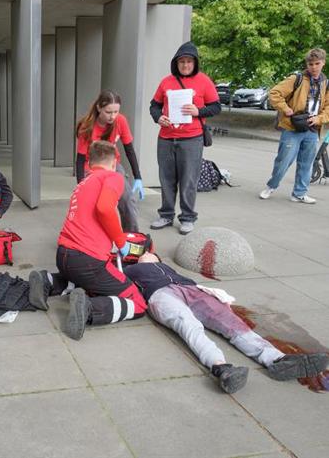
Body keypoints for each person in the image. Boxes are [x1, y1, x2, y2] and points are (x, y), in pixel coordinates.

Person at [124, 252, 329, 393]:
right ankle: (221, 368)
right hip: (159, 294)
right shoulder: (129, 270)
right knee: (188, 325)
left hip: (192, 289)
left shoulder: (164, 266)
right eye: (144, 254)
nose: (147, 254)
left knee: (231, 323)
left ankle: (277, 359)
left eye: (151, 254)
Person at [28, 141, 147, 341]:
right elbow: (104, 208)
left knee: (83, 280)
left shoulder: (84, 183)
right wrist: (121, 242)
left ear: (89, 164)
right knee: (137, 302)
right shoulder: (113, 177)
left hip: (64, 256)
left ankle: (47, 281)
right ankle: (89, 308)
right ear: (114, 162)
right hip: (88, 261)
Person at [149, 41, 221, 235]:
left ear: (195, 63)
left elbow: (216, 107)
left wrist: (199, 111)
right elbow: (154, 105)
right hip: (166, 138)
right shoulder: (166, 82)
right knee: (166, 179)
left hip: (191, 139)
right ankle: (166, 215)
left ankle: (188, 218)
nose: (185, 65)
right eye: (182, 61)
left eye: (189, 61)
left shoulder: (204, 81)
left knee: (188, 180)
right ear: (176, 63)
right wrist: (158, 117)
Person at [260, 48, 329, 204]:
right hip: (293, 127)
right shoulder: (296, 78)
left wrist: (319, 119)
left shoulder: (326, 83)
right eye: (310, 64)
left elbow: (328, 107)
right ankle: (271, 186)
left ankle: (299, 193)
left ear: (323, 63)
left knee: (307, 164)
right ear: (307, 64)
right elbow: (275, 93)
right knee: (283, 161)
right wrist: (285, 109)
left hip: (312, 129)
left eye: (317, 63)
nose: (314, 67)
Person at [76, 90, 145, 231]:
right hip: (91, 166)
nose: (112, 116)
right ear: (99, 108)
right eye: (108, 112)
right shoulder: (87, 126)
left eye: (116, 112)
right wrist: (80, 185)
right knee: (94, 202)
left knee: (127, 198)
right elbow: (80, 159)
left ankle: (132, 236)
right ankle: (92, 235)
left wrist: (138, 177)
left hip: (113, 165)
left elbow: (129, 149)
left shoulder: (121, 121)